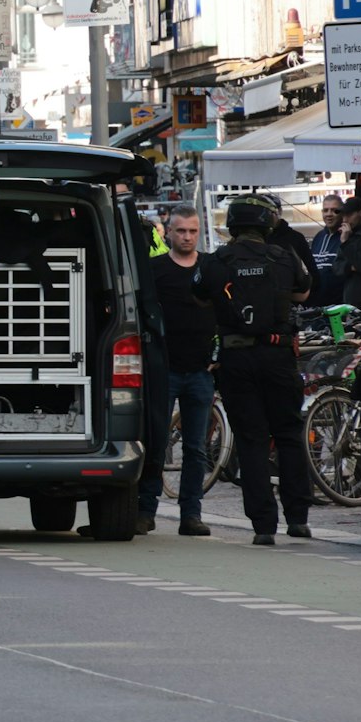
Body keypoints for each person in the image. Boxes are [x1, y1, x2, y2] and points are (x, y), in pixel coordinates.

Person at [198, 195, 313, 546]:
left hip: (236, 358)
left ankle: (263, 525)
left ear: (233, 225)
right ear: (267, 224)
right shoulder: (283, 256)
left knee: (251, 439)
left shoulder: (217, 260)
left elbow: (201, 296)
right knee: (290, 434)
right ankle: (298, 519)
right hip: (278, 356)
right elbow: (303, 293)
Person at [136, 204, 216, 537]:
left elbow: (226, 309)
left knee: (196, 448)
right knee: (155, 442)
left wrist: (218, 352)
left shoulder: (211, 267)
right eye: (181, 230)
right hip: (164, 369)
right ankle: (145, 510)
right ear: (169, 231)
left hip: (200, 371)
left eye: (193, 231)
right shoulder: (155, 269)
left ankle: (191, 514)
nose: (187, 237)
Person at [335, 194, 361, 312]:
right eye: (344, 216)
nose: (345, 220)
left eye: (349, 215)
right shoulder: (348, 234)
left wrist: (346, 243)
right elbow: (336, 267)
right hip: (350, 302)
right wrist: (350, 267)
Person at [309, 195, 344, 307]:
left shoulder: (347, 237)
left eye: (335, 210)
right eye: (325, 210)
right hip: (318, 307)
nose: (329, 214)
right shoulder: (318, 237)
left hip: (341, 308)